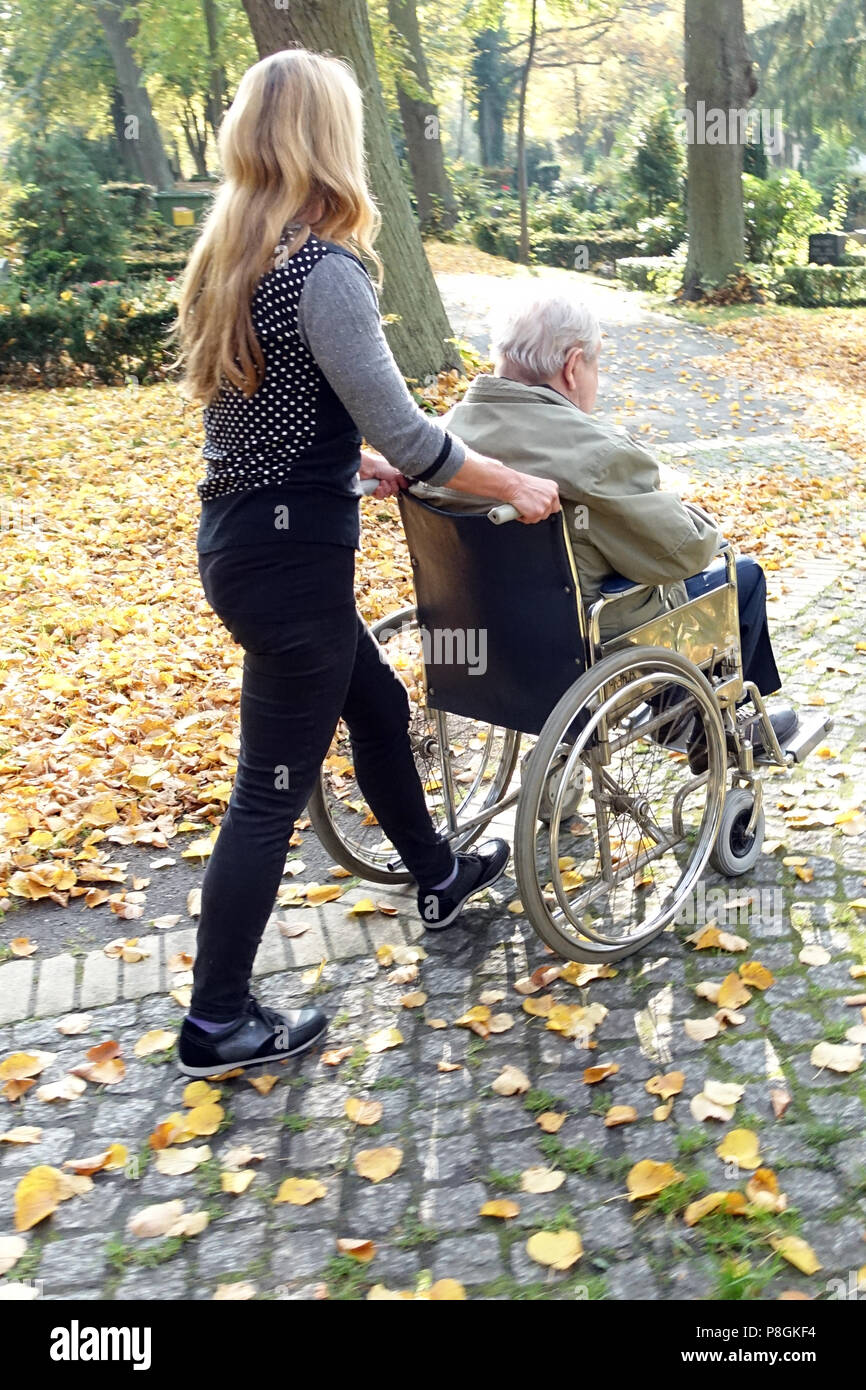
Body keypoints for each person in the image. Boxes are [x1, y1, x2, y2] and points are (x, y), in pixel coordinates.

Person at [173, 50, 560, 1077]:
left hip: (247, 543)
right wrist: (512, 486)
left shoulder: (236, 254)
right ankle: (215, 1021)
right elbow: (412, 426)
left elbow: (272, 424)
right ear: (326, 138)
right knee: (266, 789)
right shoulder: (324, 267)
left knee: (378, 708)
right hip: (291, 566)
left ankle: (436, 874)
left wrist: (354, 467)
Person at [415, 283, 797, 772]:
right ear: (573, 365)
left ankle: (663, 730)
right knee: (739, 576)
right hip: (581, 655)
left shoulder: (438, 440)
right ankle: (717, 729)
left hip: (468, 651)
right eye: (597, 365)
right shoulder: (595, 452)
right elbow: (685, 550)